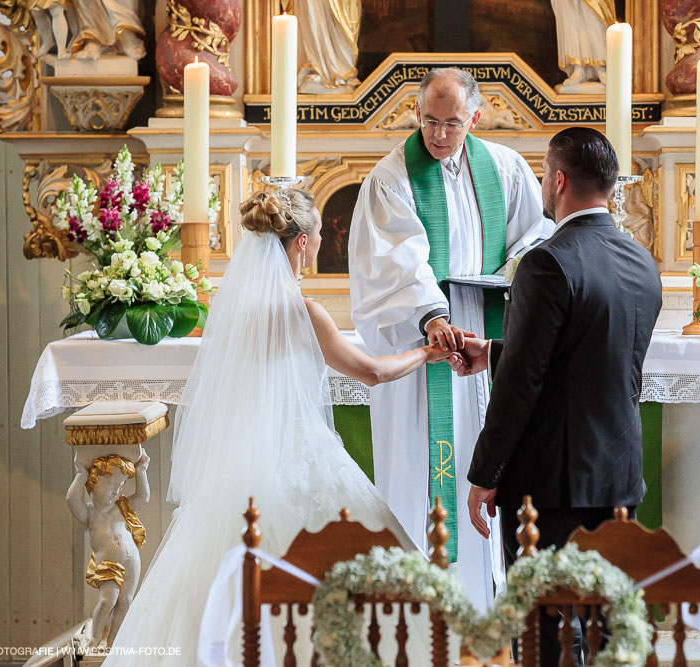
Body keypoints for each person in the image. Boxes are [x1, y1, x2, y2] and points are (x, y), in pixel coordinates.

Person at [104, 189, 452, 665]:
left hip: (240, 469)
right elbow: (372, 372)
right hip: (303, 456)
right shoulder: (303, 311)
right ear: (304, 243)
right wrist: (427, 353)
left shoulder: (235, 311)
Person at [454, 127, 663, 666]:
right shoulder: (643, 261)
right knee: (608, 626)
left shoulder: (547, 261)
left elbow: (524, 384)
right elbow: (589, 360)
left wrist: (484, 474)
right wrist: (496, 351)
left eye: (546, 174)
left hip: (550, 484)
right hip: (618, 474)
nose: (544, 183)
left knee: (544, 630)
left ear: (560, 180)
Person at [349, 67, 553, 610]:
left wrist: (513, 272)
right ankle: (419, 612)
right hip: (425, 347)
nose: (439, 135)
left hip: (488, 337)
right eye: (430, 121)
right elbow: (392, 258)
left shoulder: (505, 168)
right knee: (425, 463)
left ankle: (488, 604)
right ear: (416, 114)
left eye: (453, 124)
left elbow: (535, 237)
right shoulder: (392, 177)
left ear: (475, 118)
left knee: (489, 457)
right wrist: (431, 316)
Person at [67, 452, 149, 650]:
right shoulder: (88, 513)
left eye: (120, 487)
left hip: (131, 560)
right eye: (111, 486)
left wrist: (142, 470)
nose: (116, 492)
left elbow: (143, 497)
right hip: (108, 562)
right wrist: (81, 473)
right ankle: (96, 637)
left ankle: (114, 642)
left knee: (125, 602)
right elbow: (71, 499)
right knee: (108, 600)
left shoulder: (122, 507)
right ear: (93, 484)